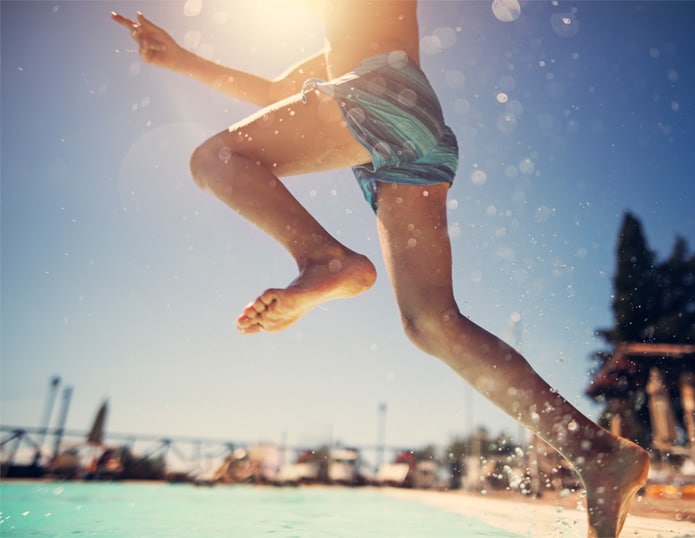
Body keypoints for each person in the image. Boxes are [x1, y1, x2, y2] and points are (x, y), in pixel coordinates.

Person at [112, 2, 649, 536]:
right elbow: (278, 91)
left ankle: (325, 259)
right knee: (431, 323)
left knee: (215, 159)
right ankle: (597, 453)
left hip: (380, 96)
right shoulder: (340, 41)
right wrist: (182, 61)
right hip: (410, 131)